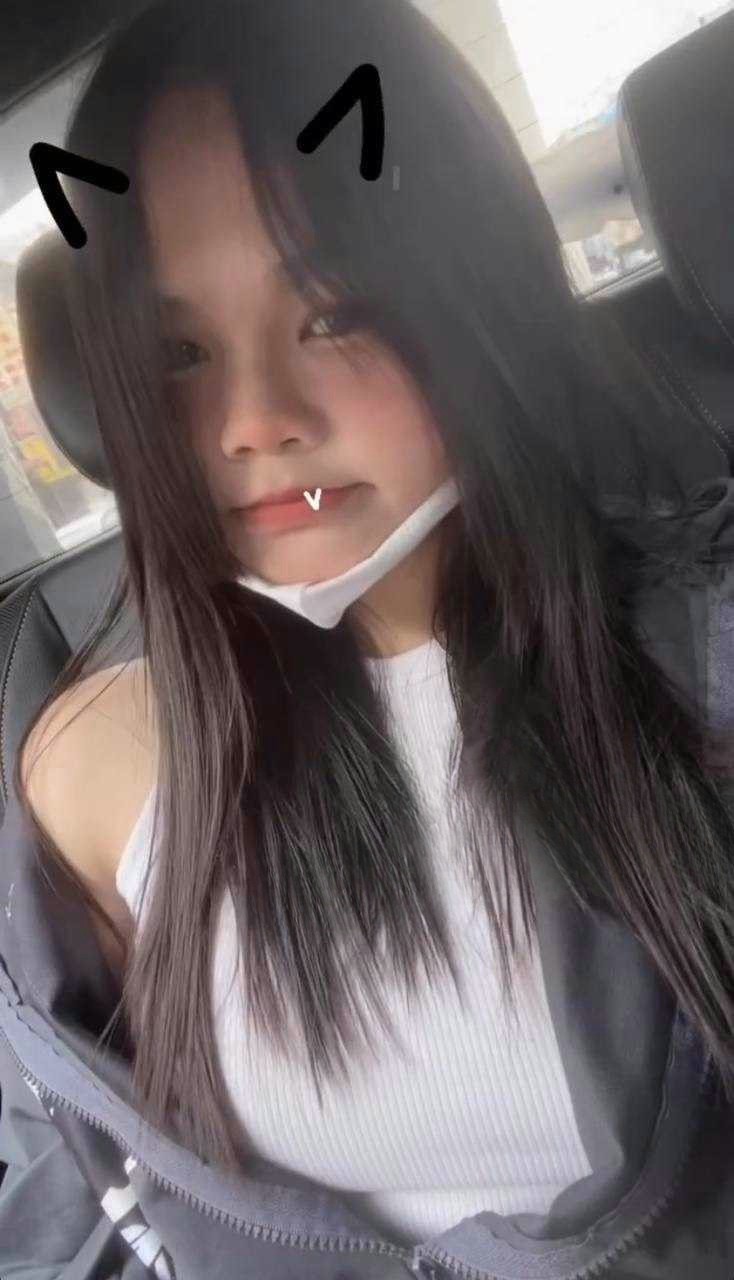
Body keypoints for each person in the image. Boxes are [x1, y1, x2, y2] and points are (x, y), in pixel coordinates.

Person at [3, 0, 734, 1275]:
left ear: (471, 294)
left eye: (332, 312)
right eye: (177, 350)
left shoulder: (697, 656)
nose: (253, 419)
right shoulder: (93, 761)